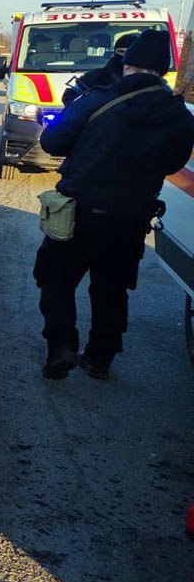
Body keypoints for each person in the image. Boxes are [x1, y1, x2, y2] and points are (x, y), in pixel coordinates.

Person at [35, 30, 194, 380]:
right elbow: (172, 163)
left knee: (56, 279)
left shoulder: (95, 99)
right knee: (112, 288)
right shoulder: (180, 116)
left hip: (79, 212)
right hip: (132, 217)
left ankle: (62, 347)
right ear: (162, 71)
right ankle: (100, 357)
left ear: (126, 64)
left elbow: (52, 141)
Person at [61, 32, 135, 106]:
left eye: (131, 52)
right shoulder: (94, 77)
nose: (126, 56)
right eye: (121, 51)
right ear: (115, 51)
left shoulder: (145, 78)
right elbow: (70, 98)